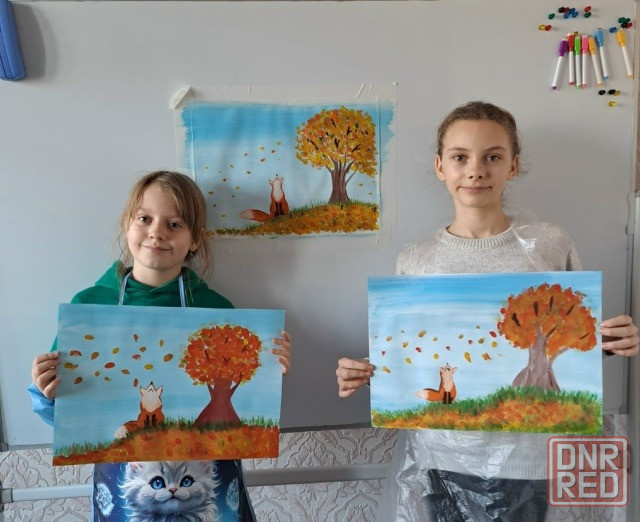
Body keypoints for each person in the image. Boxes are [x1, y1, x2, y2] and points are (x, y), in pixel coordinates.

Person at [336, 101, 639, 521]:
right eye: (460, 157)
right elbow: (410, 357)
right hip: (438, 457)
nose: (475, 170)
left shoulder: (550, 243)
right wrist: (368, 371)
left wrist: (610, 342)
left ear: (513, 165)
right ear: (440, 166)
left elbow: (574, 341)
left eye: (492, 157)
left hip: (527, 458)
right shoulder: (417, 260)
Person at [29, 170, 291, 521]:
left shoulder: (218, 311)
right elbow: (64, 416)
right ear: (127, 225)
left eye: (174, 224)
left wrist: (270, 370)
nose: (157, 232)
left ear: (195, 240)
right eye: (145, 219)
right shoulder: (89, 308)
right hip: (126, 485)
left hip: (208, 483)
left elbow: (246, 401)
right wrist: (45, 391)